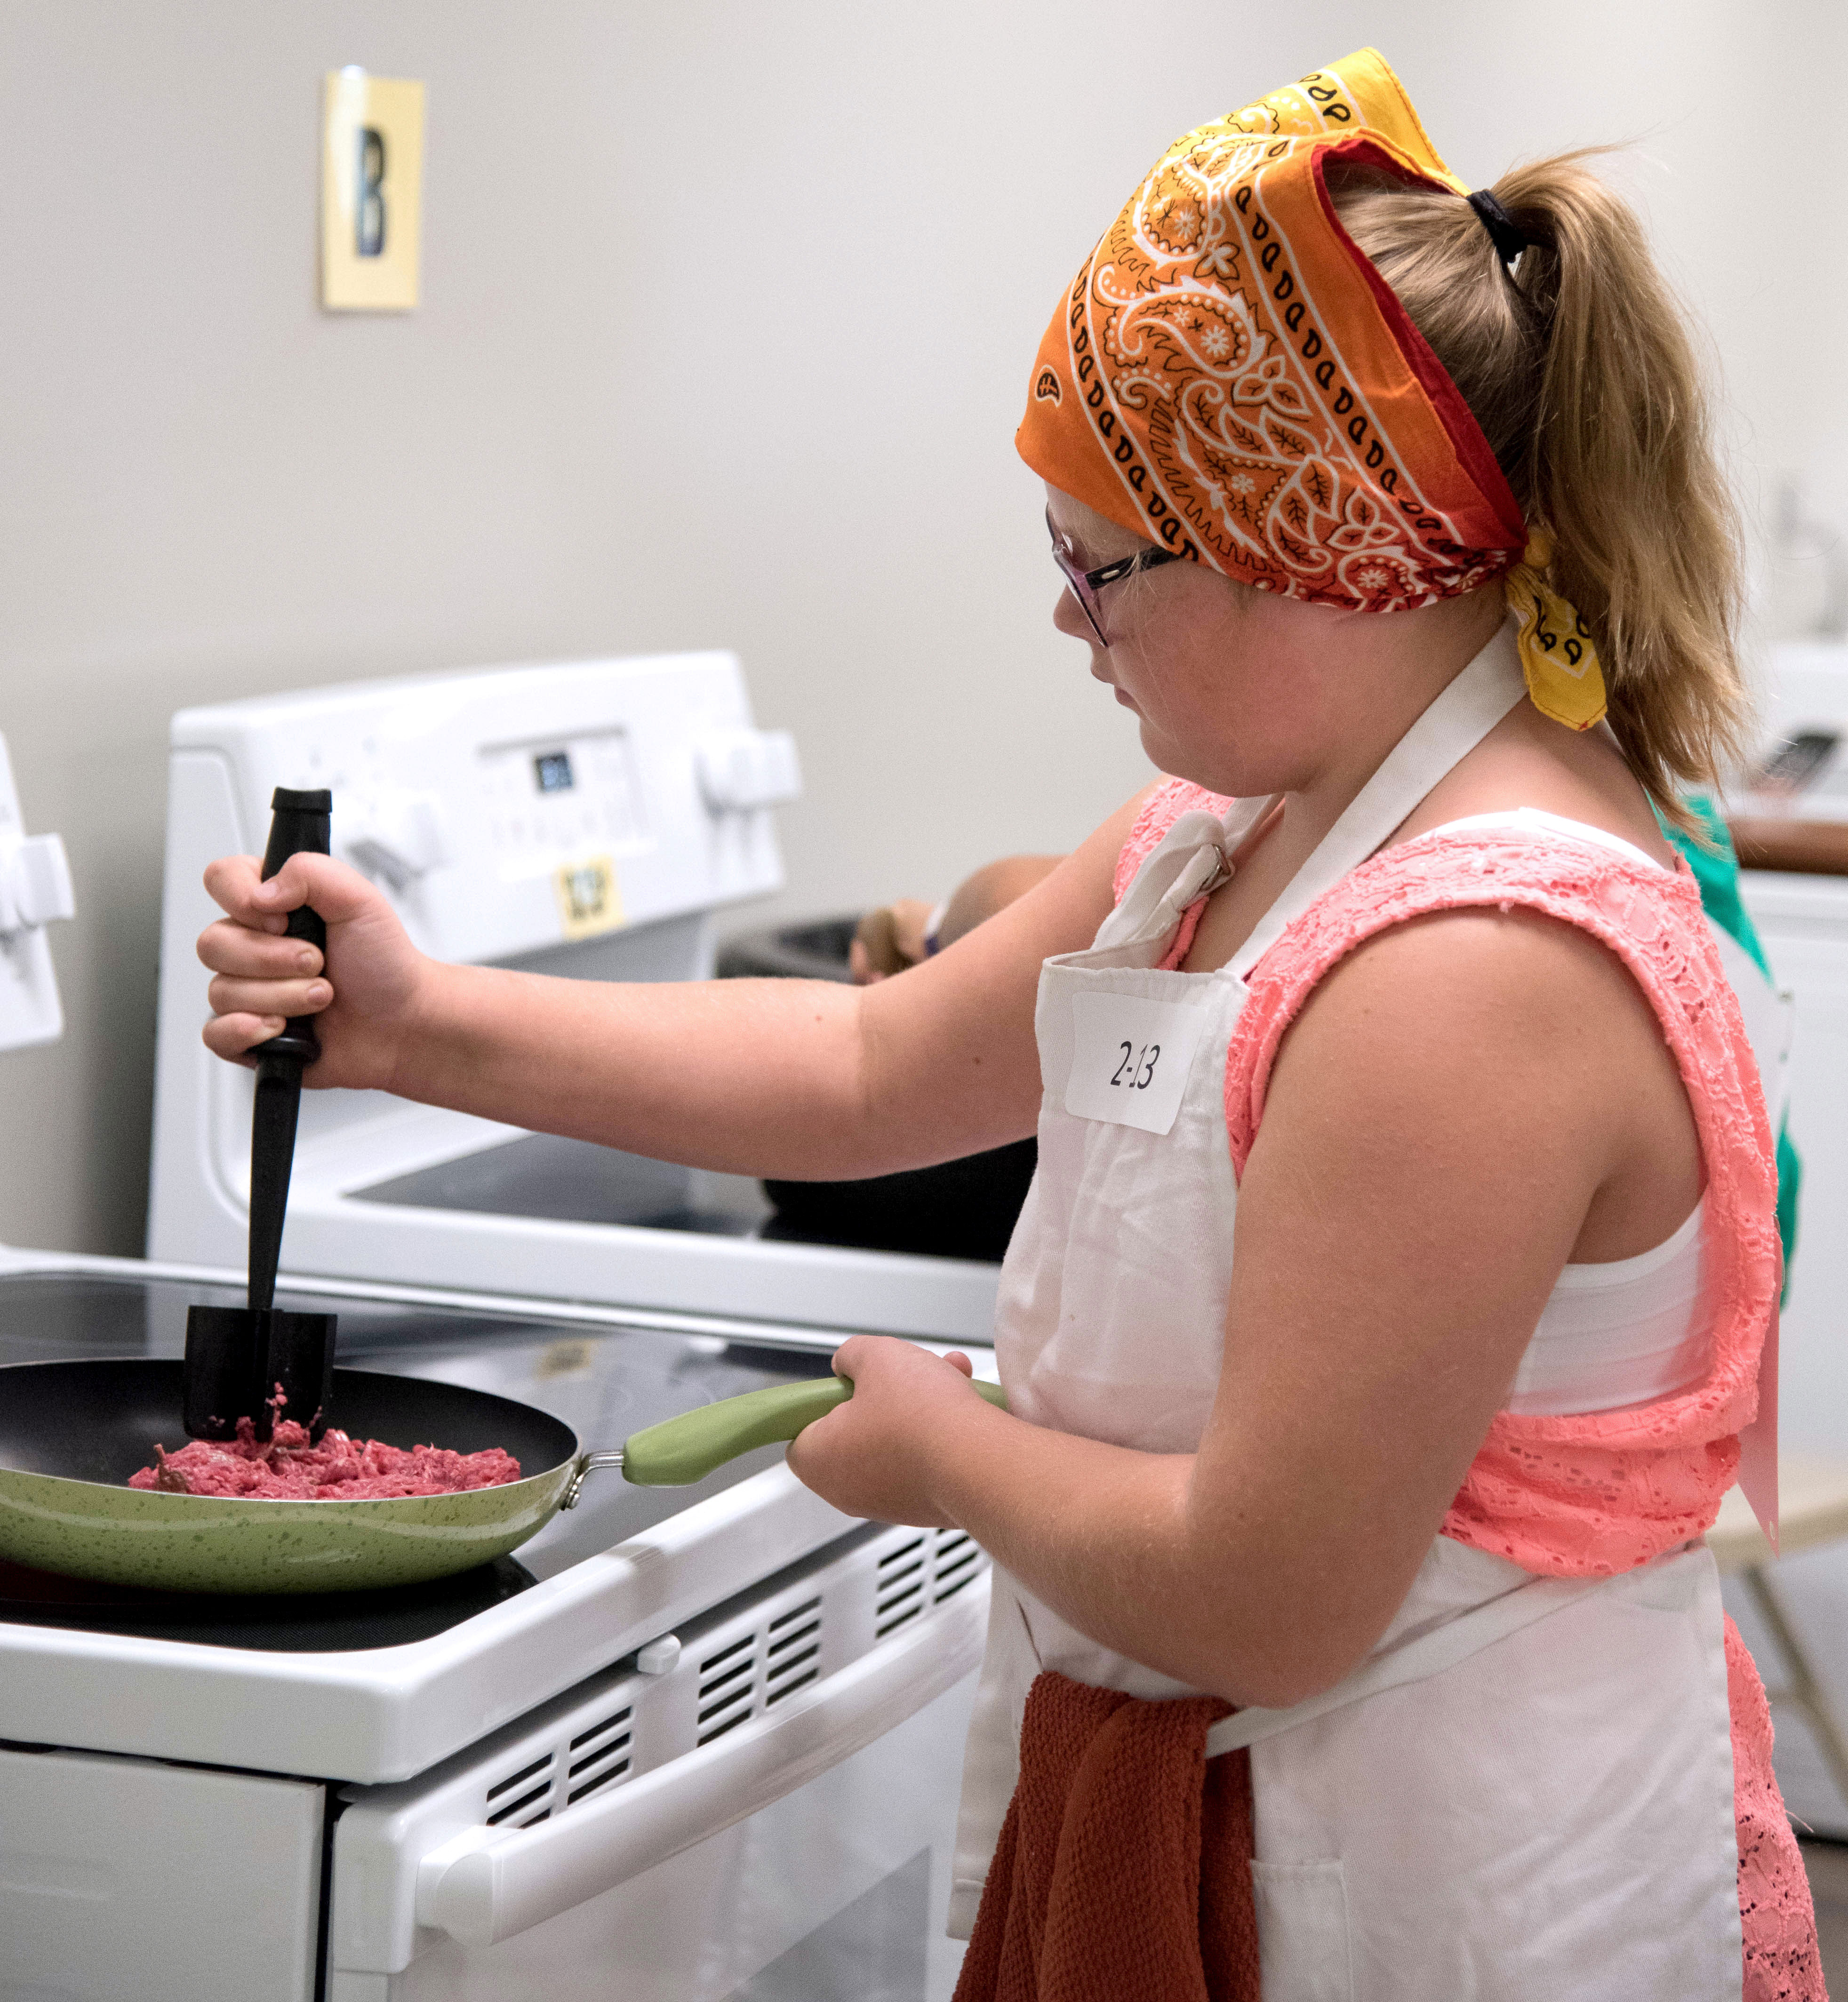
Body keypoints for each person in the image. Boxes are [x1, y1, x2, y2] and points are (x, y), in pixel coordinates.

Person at [195, 48, 1819, 2000]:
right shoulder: (1232, 838)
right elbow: (869, 1069)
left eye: (1099, 560)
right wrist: (418, 1022)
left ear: (1301, 538)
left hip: (1430, 1879)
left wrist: (948, 1448)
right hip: (1251, 1804)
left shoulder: (1467, 971)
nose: (1069, 623)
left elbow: (1270, 1589)